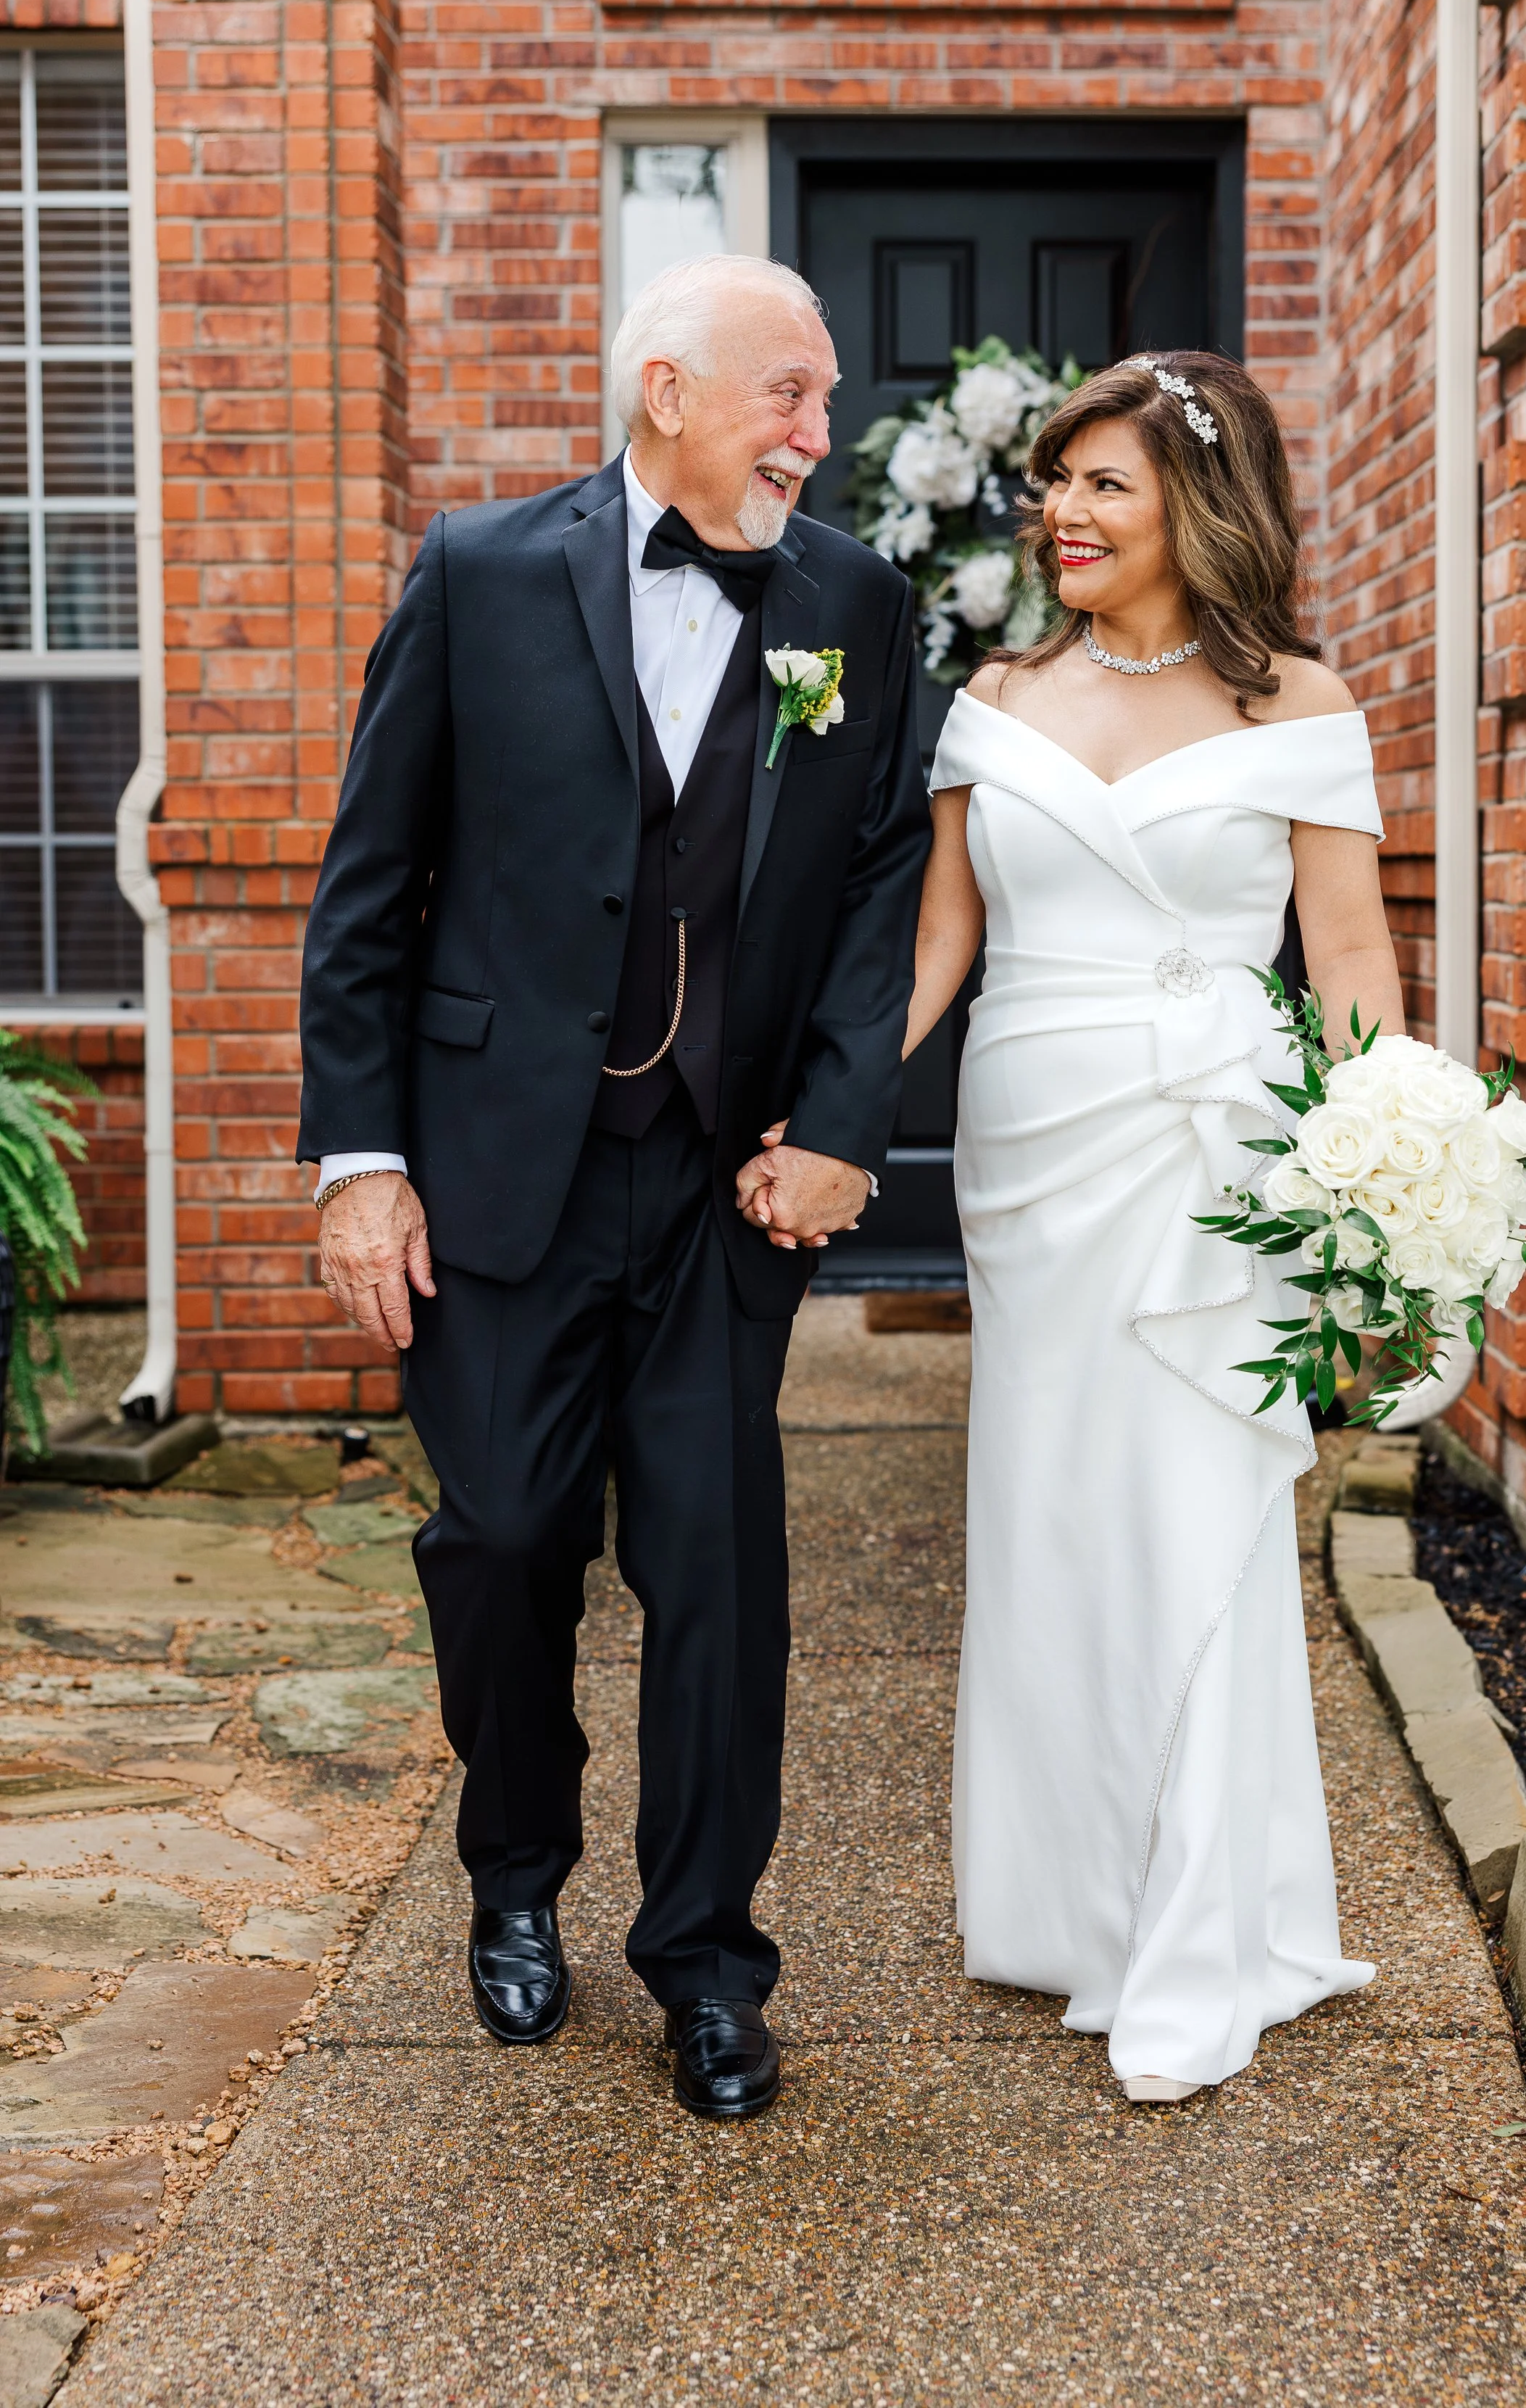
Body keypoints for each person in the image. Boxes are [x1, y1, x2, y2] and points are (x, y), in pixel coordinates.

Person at [297, 255, 929, 2117]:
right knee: (497, 1540)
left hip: (721, 1182)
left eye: (822, 405)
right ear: (667, 391)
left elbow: (882, 881)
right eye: (789, 398)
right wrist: (363, 1163)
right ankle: (512, 1876)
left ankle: (710, 1961)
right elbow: (368, 886)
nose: (820, 439)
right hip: (501, 1175)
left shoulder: (854, 606)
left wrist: (837, 1122)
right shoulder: (482, 571)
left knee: (718, 1575)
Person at [905, 353, 1399, 2100]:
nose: (1066, 512)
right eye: (1055, 482)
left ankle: (1199, 1916)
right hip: (1034, 1151)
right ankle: (1059, 1908)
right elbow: (936, 949)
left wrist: (1376, 1180)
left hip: (1215, 1151)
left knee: (1194, 1504)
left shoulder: (1297, 704)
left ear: (1197, 505)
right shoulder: (994, 696)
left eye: (1106, 483)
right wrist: (810, 1115)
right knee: (1050, 1510)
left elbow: (1342, 957)